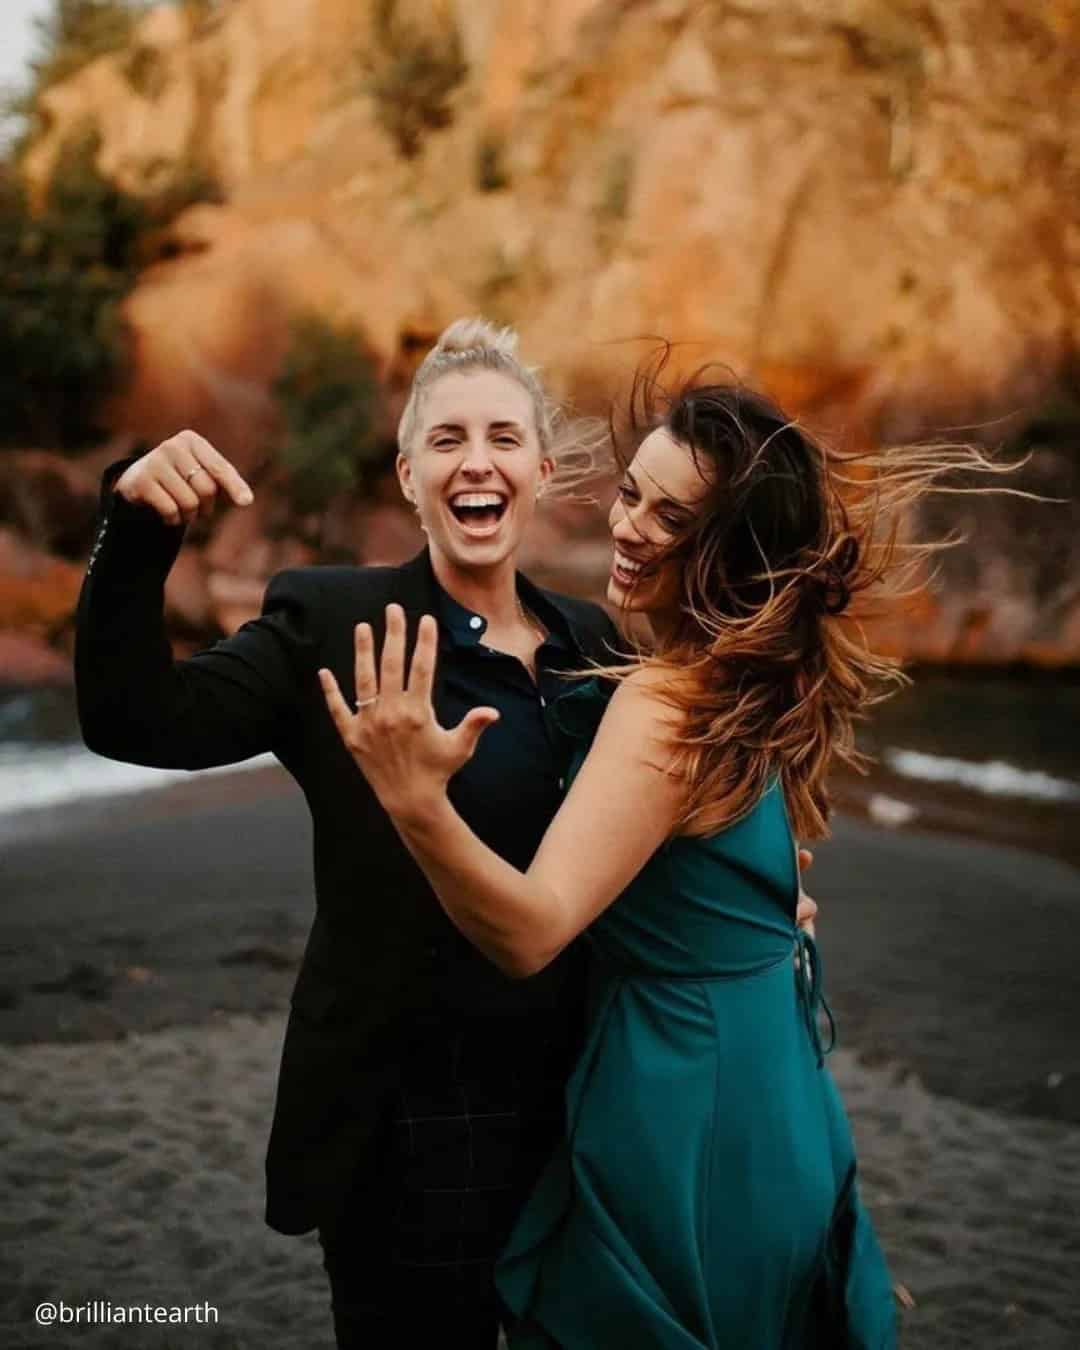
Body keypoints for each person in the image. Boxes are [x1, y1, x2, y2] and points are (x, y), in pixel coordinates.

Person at [73, 317, 823, 1348]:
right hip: (403, 1130)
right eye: (448, 440)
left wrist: (752, 900)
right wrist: (136, 529)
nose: (478, 461)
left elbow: (652, 830)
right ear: (409, 475)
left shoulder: (598, 643)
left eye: (505, 437)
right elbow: (132, 721)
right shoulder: (330, 624)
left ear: (543, 468)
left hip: (584, 1109)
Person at [313, 366, 988, 1348]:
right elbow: (765, 880)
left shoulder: (667, 703)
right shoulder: (754, 687)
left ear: (727, 554)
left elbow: (533, 931)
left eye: (672, 519)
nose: (629, 528)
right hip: (774, 1097)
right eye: (632, 493)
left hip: (679, 1107)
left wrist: (413, 798)